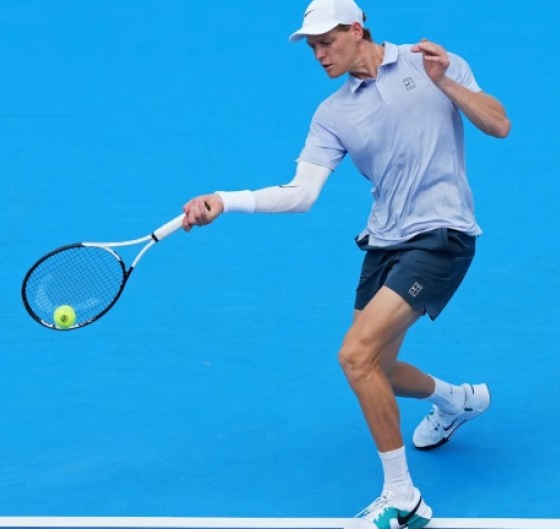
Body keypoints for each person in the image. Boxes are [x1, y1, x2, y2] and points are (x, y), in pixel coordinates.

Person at [181, 0, 510, 527]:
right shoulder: (332, 113)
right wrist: (226, 198)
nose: (318, 54)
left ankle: (403, 498)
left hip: (442, 235)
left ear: (357, 30)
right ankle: (457, 401)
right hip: (384, 243)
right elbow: (301, 193)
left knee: (354, 357)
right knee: (377, 368)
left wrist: (445, 83)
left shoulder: (434, 63)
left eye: (326, 42)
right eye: (311, 46)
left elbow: (499, 124)